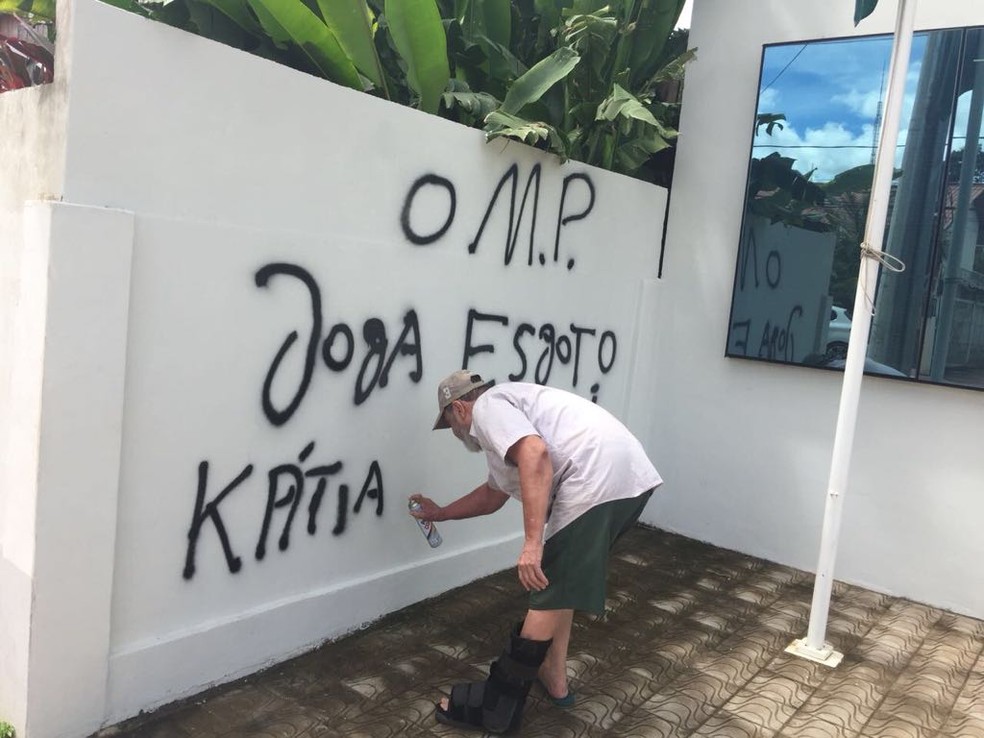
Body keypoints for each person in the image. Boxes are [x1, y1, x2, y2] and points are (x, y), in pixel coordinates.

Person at [410, 370, 662, 734]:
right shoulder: (508, 420)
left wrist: (532, 545)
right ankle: (554, 677)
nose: (454, 434)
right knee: (561, 584)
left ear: (461, 408)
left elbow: (535, 453)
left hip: (594, 480)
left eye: (449, 423)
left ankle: (497, 706)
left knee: (545, 588)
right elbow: (491, 495)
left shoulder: (489, 409)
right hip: (627, 479)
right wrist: (440, 513)